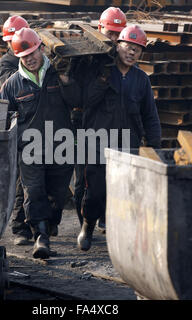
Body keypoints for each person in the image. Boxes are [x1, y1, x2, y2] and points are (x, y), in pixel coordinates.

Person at [77, 25, 161, 251]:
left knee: (125, 193)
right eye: (128, 47)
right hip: (98, 144)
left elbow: (150, 115)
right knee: (94, 193)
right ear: (117, 46)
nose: (132, 53)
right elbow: (87, 102)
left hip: (128, 146)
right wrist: (103, 79)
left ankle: (122, 235)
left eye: (137, 49)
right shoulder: (102, 72)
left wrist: (154, 146)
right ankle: (88, 226)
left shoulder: (141, 79)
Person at [0, 28, 80, 259]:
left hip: (61, 146)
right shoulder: (12, 84)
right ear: (18, 58)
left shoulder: (57, 74)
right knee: (33, 193)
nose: (30, 59)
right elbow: (1, 116)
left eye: (33, 53)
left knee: (58, 193)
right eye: (24, 57)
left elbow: (77, 102)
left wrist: (67, 82)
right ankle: (40, 237)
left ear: (41, 48)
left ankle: (50, 223)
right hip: (30, 150)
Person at [72, 7, 128, 231]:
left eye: (117, 33)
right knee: (82, 181)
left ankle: (105, 218)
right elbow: (83, 99)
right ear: (99, 29)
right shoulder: (84, 58)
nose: (113, 38)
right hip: (83, 129)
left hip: (113, 130)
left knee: (110, 178)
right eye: (110, 32)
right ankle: (85, 223)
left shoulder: (122, 59)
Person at [0, 16, 33, 246]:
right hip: (18, 129)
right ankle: (20, 228)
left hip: (37, 126)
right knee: (21, 183)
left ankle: (39, 225)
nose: (15, 42)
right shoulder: (7, 65)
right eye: (11, 39)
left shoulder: (34, 57)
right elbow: (15, 87)